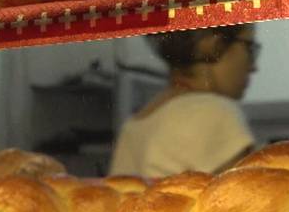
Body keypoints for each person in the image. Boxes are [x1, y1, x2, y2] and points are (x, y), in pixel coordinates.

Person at [109, 24, 259, 178]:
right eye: (250, 48)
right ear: (211, 44)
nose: (254, 67)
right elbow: (244, 196)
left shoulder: (134, 125)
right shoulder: (216, 113)